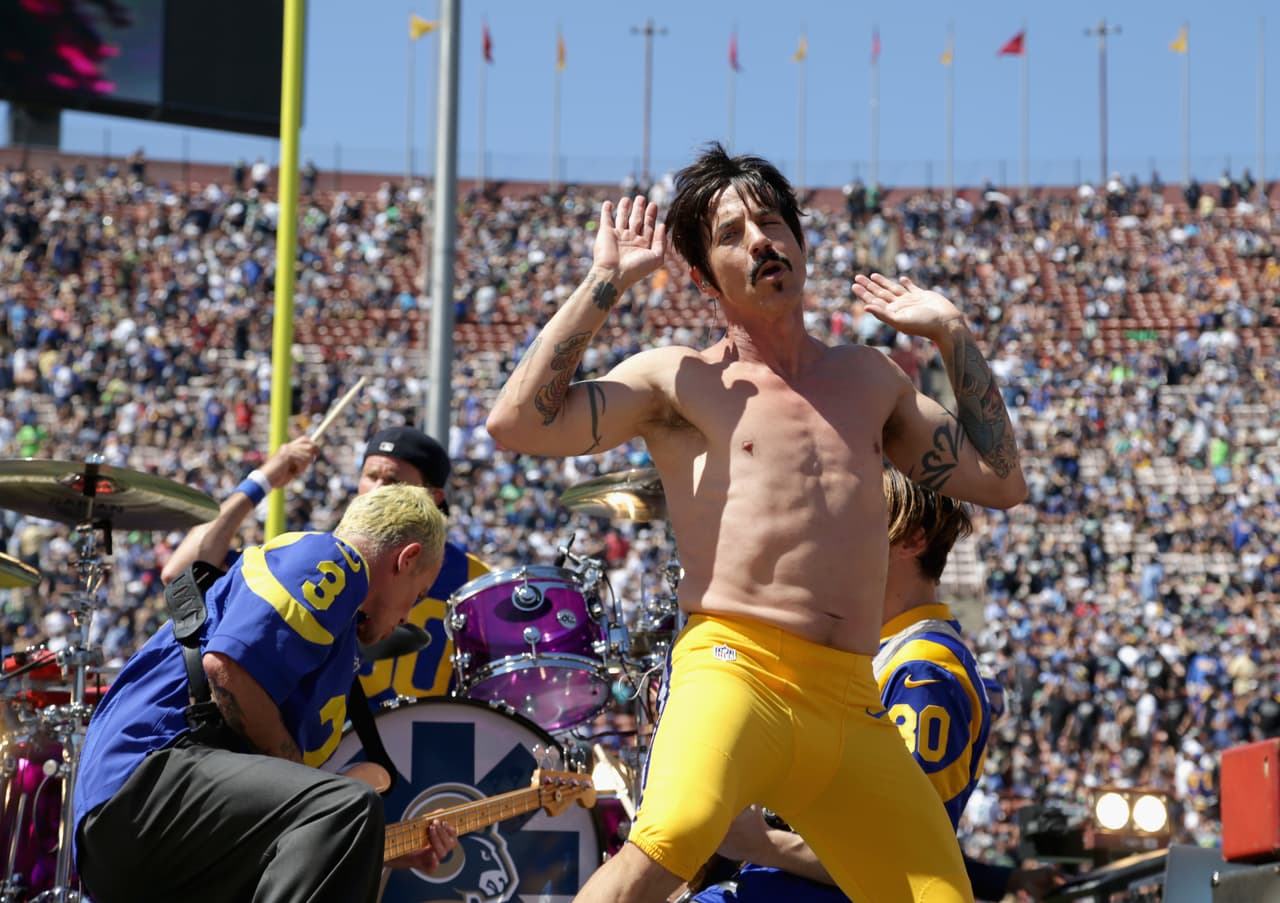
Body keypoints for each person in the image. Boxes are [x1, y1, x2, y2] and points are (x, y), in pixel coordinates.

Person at [486, 143, 1026, 903]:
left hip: (848, 698)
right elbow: (516, 423)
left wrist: (953, 332)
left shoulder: (870, 379)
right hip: (734, 668)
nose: (762, 241)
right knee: (664, 847)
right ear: (705, 278)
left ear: (803, 244)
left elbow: (1003, 481)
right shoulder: (680, 379)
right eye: (733, 234)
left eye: (773, 224)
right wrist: (603, 283)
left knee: (942, 895)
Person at [689, 468, 1061, 902]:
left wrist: (762, 843)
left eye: (849, 524)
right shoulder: (879, 652)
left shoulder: (924, 670)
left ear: (910, 540)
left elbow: (909, 856)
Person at [74, 484, 459, 903]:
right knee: (348, 806)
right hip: (143, 783)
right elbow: (227, 670)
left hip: (151, 826)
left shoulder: (337, 634)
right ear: (408, 558)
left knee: (347, 813)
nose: (407, 615)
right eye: (417, 597)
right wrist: (322, 798)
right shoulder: (335, 562)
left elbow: (294, 823)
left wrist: (370, 847)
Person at [161, 425, 488, 705]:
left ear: (432, 497)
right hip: (330, 744)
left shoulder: (476, 582)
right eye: (369, 476)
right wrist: (262, 479)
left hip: (426, 748)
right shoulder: (314, 560)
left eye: (391, 482)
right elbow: (183, 573)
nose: (375, 491)